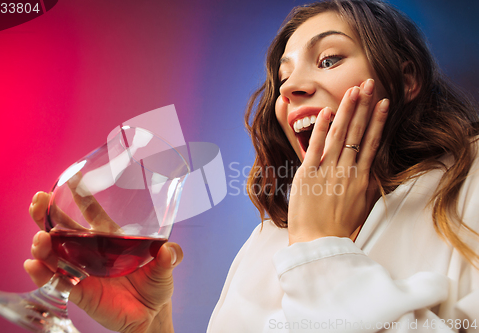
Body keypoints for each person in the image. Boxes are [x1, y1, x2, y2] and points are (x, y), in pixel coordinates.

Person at [25, 0, 479, 332]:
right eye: (283, 78)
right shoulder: (270, 238)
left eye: (329, 59)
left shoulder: (470, 185)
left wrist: (322, 252)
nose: (292, 87)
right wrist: (147, 329)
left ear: (406, 78)